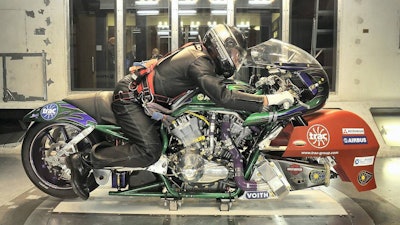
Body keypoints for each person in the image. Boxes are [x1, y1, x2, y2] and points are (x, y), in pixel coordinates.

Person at [66, 24, 294, 200]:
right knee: (150, 151)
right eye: (235, 55)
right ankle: (84, 160)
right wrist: (268, 99)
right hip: (130, 99)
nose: (236, 61)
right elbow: (224, 96)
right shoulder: (199, 63)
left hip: (147, 98)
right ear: (222, 48)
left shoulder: (202, 57)